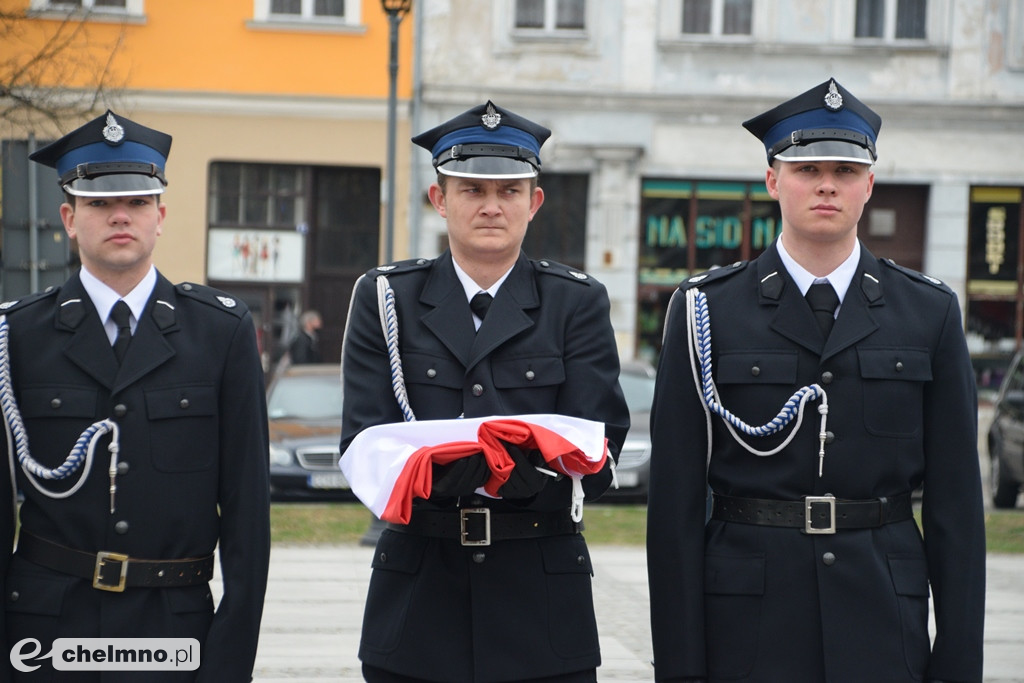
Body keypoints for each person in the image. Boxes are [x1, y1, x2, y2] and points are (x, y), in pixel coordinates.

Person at [647, 79, 986, 683]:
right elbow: (674, 505)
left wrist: (958, 666)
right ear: (773, 180)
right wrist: (681, 667)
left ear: (869, 185)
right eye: (807, 169)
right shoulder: (706, 309)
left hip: (881, 617)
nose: (827, 184)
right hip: (747, 624)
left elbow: (956, 506)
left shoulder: (928, 311)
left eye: (846, 170)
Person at [339, 100, 631, 683]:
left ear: (534, 202)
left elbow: (602, 447)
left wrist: (534, 476)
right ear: (439, 198)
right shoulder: (386, 298)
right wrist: (435, 475)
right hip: (420, 594)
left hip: (539, 598)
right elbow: (361, 442)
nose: (492, 205)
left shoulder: (575, 302)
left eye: (509, 190)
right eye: (472, 189)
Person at [1, 110, 271, 680]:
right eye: (99, 203)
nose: (120, 215)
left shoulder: (219, 332)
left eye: (138, 201)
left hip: (172, 628)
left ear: (160, 217)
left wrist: (229, 660)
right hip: (44, 631)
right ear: (69, 219)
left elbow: (247, 512)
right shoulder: (17, 335)